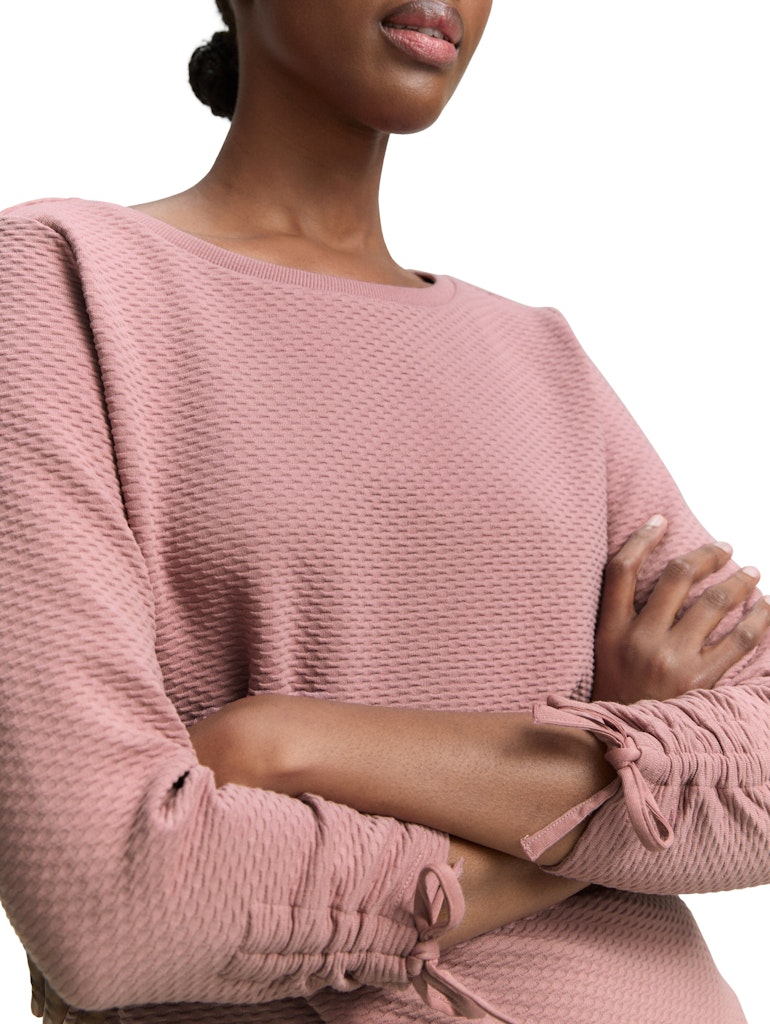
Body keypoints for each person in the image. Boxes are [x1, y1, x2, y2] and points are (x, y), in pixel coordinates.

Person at [2, 2, 769, 1022]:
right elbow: (117, 905)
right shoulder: (59, 283)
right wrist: (609, 798)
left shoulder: (539, 357)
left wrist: (290, 740)